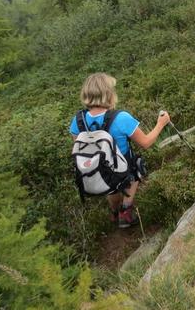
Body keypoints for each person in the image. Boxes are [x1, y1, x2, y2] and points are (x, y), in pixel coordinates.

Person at [70, 73, 170, 228]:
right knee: (136, 169)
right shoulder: (121, 118)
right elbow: (146, 143)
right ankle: (125, 212)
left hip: (101, 170)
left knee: (112, 186)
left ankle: (114, 212)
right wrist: (161, 123)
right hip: (122, 166)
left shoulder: (78, 120)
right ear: (108, 93)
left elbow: (81, 148)